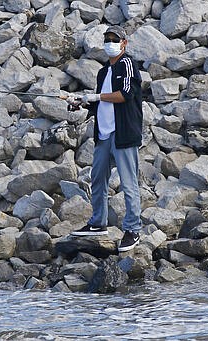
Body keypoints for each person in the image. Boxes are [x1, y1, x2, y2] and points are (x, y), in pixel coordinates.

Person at [69, 25, 143, 252]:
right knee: (97, 179)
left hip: (123, 135)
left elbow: (125, 94)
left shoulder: (127, 64)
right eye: (107, 38)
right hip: (103, 134)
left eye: (114, 39)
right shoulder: (103, 72)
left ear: (123, 43)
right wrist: (82, 102)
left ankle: (133, 229)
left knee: (129, 184)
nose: (110, 42)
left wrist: (96, 96)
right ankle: (97, 223)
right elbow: (101, 103)